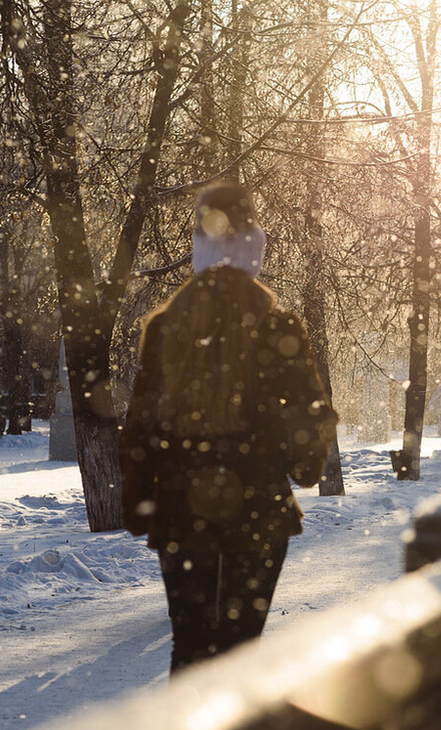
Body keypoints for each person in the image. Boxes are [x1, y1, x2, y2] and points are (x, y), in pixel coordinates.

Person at [120, 181, 337, 673]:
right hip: (258, 512)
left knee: (191, 649)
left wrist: (139, 504)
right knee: (240, 658)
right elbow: (311, 414)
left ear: (199, 246)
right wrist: (302, 466)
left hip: (180, 511)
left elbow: (139, 430)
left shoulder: (165, 327)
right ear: (252, 244)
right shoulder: (279, 327)